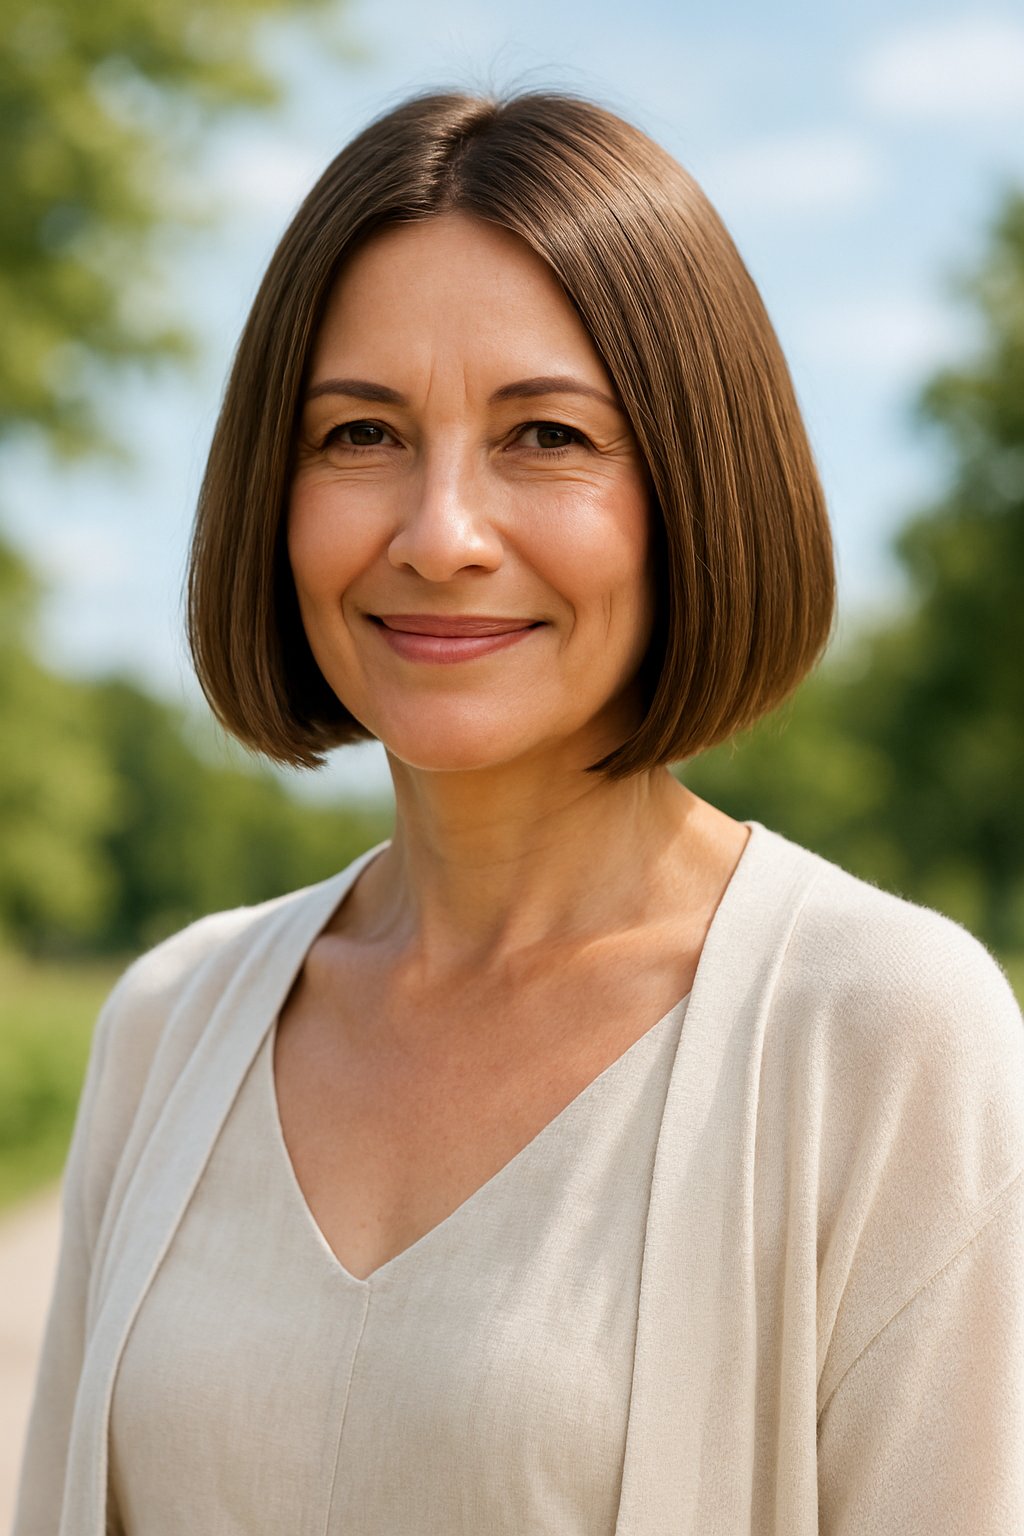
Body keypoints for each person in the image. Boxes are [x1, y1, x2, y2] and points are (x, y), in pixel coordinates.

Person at [13, 89, 1024, 1536]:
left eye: (546, 435)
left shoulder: (879, 1034)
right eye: (360, 435)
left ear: (694, 484)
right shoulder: (168, 1029)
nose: (438, 533)